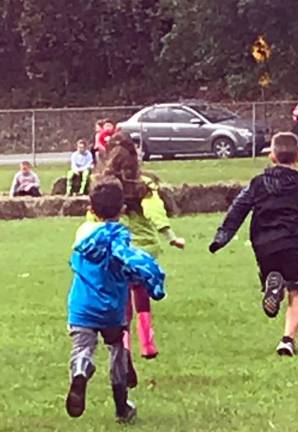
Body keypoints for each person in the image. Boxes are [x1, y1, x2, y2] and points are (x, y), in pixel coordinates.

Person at [209, 132, 298, 357]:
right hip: (292, 242)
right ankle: (287, 340)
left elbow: (238, 208)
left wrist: (222, 236)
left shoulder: (257, 184)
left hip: (262, 244)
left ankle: (275, 286)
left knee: (275, 275)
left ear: (271, 156)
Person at [65, 176, 166, 424]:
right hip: (111, 308)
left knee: (82, 347)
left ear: (90, 209)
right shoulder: (119, 238)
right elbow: (131, 264)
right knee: (117, 350)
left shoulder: (83, 233)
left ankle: (80, 367)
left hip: (81, 306)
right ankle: (122, 407)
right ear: (122, 210)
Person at [102, 133, 185, 365]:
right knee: (141, 293)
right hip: (144, 250)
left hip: (117, 249)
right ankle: (148, 343)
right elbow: (154, 211)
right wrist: (170, 236)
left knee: (122, 297)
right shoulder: (144, 185)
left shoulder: (105, 185)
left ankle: (124, 345)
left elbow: (94, 215)